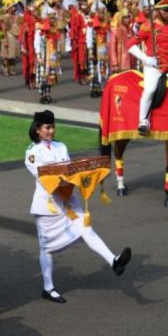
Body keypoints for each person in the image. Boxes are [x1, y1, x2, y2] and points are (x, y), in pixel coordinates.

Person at [24, 110, 132, 304]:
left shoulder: (61, 146)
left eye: (53, 127)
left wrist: (84, 177)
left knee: (87, 229)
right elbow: (42, 176)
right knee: (47, 248)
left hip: (68, 200)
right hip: (48, 204)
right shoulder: (32, 152)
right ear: (37, 130)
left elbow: (70, 171)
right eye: (47, 127)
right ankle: (48, 288)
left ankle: (114, 261)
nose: (51, 131)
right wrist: (68, 176)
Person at [126, 0, 168, 135]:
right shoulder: (148, 27)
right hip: (153, 67)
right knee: (149, 90)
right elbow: (130, 45)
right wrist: (146, 59)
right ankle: (143, 120)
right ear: (158, 10)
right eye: (165, 10)